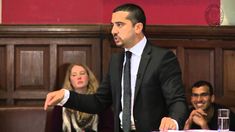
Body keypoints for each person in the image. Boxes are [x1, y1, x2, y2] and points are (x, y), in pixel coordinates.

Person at [44, 3, 188, 132]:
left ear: (138, 27)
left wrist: (173, 121)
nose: (113, 31)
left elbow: (177, 101)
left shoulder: (162, 58)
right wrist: (66, 96)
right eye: (113, 25)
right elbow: (99, 102)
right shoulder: (116, 60)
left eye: (119, 25)